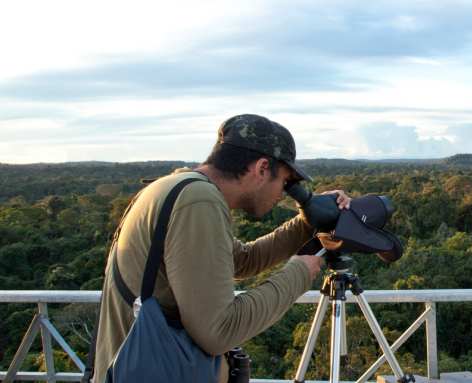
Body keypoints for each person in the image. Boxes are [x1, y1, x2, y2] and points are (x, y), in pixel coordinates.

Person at [91, 114, 345, 383]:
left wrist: (306, 223)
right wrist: (300, 271)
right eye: (284, 181)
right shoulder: (199, 201)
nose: (283, 193)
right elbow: (219, 332)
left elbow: (242, 260)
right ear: (261, 168)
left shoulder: (176, 187)